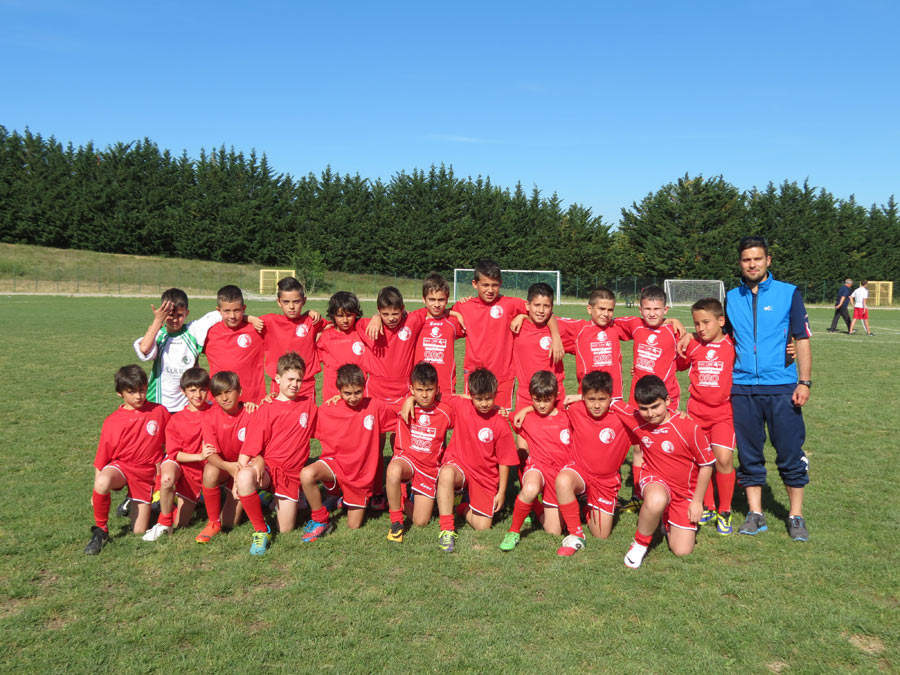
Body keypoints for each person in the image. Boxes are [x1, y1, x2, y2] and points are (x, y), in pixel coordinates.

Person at [726, 235, 812, 542]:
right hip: (743, 388)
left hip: (782, 386)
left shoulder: (789, 293)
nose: (752, 264)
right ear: (740, 263)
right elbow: (720, 336)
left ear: (768, 261)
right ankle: (755, 513)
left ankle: (796, 515)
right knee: (749, 455)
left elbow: (802, 338)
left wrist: (804, 381)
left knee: (789, 453)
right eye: (746, 260)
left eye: (757, 259)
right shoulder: (731, 297)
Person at [622, 376, 715, 569]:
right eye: (644, 408)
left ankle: (665, 516)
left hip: (684, 493)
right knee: (656, 499)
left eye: (655, 407)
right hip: (654, 480)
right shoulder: (637, 419)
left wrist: (697, 502)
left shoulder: (688, 426)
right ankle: (639, 545)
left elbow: (707, 464)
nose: (650, 414)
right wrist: (580, 397)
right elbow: (607, 402)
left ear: (667, 401)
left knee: (682, 550)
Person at [300, 364, 397, 540]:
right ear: (339, 391)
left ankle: (346, 498)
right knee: (307, 474)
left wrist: (411, 402)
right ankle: (320, 520)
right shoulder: (328, 409)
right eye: (347, 393)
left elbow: (401, 416)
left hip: (359, 476)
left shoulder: (375, 407)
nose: (353, 398)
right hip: (335, 464)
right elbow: (299, 419)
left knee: (353, 525)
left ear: (364, 387)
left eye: (358, 392)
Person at [452, 259, 563, 410]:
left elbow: (544, 312)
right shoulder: (464, 306)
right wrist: (455, 313)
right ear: (474, 284)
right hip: (474, 373)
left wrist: (555, 337)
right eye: (485, 285)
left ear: (501, 284)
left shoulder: (510, 304)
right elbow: (442, 315)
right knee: (473, 415)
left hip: (503, 376)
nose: (490, 290)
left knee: (501, 416)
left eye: (494, 285)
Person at [235, 352, 318, 555]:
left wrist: (337, 399)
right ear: (278, 379)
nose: (294, 384)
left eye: (299, 380)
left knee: (287, 529)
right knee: (245, 477)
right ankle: (261, 531)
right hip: (269, 469)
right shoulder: (267, 408)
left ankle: (280, 498)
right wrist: (237, 480)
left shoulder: (308, 404)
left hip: (291, 475)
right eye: (290, 379)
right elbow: (249, 447)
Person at [85, 365, 170, 554]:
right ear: (120, 393)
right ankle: (101, 530)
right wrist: (96, 489)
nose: (138, 396)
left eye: (142, 390)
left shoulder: (159, 411)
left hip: (145, 474)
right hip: (122, 467)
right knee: (102, 482)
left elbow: (172, 439)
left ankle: (136, 502)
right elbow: (102, 456)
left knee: (138, 531)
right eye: (131, 392)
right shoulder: (113, 421)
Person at [614, 285, 685, 512]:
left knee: (666, 446)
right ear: (640, 309)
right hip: (638, 400)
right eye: (647, 309)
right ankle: (638, 494)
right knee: (638, 448)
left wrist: (674, 322)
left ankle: (671, 492)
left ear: (666, 309)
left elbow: (686, 359)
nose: (652, 313)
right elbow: (608, 322)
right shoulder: (635, 325)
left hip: (666, 399)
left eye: (657, 309)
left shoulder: (674, 331)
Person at [434, 368, 519, 553]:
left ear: (495, 395)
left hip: (484, 475)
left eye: (488, 398)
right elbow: (435, 395)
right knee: (446, 473)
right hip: (459, 464)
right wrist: (410, 400)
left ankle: (462, 506)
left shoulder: (500, 422)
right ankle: (447, 529)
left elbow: (505, 461)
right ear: (471, 395)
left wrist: (501, 492)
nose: (484, 404)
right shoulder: (461, 405)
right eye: (479, 399)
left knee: (483, 526)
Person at [675, 298, 737, 535]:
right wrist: (683, 335)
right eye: (696, 324)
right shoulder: (692, 345)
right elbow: (676, 365)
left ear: (721, 321)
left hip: (723, 414)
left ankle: (725, 510)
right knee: (703, 459)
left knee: (723, 459)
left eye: (706, 322)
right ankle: (708, 506)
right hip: (696, 414)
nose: (701, 328)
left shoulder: (732, 345)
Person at [499, 371, 571, 551]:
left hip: (559, 474)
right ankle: (513, 531)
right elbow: (503, 413)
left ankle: (535, 506)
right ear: (531, 397)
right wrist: (524, 410)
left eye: (547, 400)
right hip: (537, 467)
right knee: (530, 488)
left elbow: (586, 402)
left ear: (556, 396)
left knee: (554, 531)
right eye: (537, 400)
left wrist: (527, 408)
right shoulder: (526, 419)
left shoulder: (567, 416)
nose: (542, 405)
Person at [387, 362, 455, 541]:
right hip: (407, 460)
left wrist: (497, 410)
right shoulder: (402, 406)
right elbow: (373, 404)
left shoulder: (445, 411)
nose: (424, 395)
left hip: (428, 469)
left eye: (429, 390)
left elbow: (467, 406)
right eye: (419, 390)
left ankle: (402, 499)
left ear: (437, 389)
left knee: (420, 521)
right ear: (411, 389)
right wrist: (339, 398)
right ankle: (396, 522)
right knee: (393, 470)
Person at [143, 367, 211, 541]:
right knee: (167, 479)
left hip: (199, 469)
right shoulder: (177, 419)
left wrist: (248, 405)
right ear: (183, 391)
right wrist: (199, 456)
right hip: (179, 462)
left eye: (202, 390)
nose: (198, 395)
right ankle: (163, 522)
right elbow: (174, 454)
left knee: (181, 523)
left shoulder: (215, 412)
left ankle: (168, 507)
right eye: (192, 390)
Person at [133, 288, 223, 413]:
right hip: (159, 403)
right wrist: (157, 320)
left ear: (187, 313)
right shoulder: (158, 335)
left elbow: (225, 312)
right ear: (164, 314)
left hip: (187, 404)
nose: (175, 320)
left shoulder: (194, 330)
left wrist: (247, 318)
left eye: (180, 315)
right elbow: (144, 349)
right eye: (170, 315)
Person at [195, 371, 254, 543]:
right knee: (210, 470)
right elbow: (210, 454)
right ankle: (213, 522)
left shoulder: (251, 412)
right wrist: (228, 467)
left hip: (245, 467)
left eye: (228, 392)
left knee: (229, 523)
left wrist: (238, 470)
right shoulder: (209, 416)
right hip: (225, 467)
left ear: (239, 391)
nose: (224, 398)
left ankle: (250, 495)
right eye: (219, 394)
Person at [557, 287, 630, 398]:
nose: (606, 314)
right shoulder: (580, 329)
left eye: (610, 310)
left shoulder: (615, 327)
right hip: (588, 396)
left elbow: (642, 325)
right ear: (589, 309)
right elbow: (548, 317)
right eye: (601, 309)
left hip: (614, 395)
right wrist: (555, 338)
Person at [259, 277, 323, 398]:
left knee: (306, 411)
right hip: (279, 384)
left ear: (304, 301)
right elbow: (239, 319)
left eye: (296, 301)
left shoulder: (312, 321)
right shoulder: (269, 321)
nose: (291, 306)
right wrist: (250, 319)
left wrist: (308, 314)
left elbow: (334, 326)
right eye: (286, 302)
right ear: (279, 302)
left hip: (306, 385)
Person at [509, 283, 567, 412]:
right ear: (527, 305)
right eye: (537, 305)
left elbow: (589, 332)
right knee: (522, 425)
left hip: (555, 393)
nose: (541, 310)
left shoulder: (561, 328)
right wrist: (522, 316)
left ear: (552, 307)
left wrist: (556, 336)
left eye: (546, 306)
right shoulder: (516, 326)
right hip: (527, 395)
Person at [204, 285, 267, 404]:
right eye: (227, 311)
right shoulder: (208, 333)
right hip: (220, 402)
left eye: (237, 310)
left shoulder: (256, 329)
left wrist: (249, 319)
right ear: (218, 310)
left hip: (252, 403)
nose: (232, 316)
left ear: (244, 308)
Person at [410, 273, 465, 394]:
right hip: (420, 388)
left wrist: (462, 306)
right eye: (432, 299)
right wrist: (377, 317)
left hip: (445, 388)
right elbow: (392, 315)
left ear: (447, 299)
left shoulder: (452, 322)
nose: (436, 304)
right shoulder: (415, 320)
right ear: (424, 299)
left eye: (441, 300)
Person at [316, 291, 370, 402]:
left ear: (356, 314)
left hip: (358, 395)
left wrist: (377, 317)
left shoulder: (362, 333)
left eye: (349, 315)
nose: (345, 320)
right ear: (333, 315)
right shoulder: (325, 337)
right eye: (340, 316)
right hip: (332, 396)